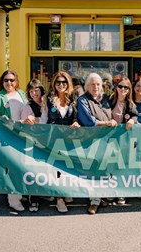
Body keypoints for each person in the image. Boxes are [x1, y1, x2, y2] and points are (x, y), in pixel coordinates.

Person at [77, 73, 116, 214]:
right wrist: (106, 123)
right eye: (92, 84)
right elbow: (88, 121)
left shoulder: (105, 98)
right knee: (93, 169)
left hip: (107, 139)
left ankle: (100, 196)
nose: (96, 86)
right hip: (91, 140)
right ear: (87, 86)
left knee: (104, 167)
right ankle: (94, 201)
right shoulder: (82, 100)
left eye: (98, 84)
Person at [0, 69, 28, 212]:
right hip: (8, 136)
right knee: (11, 167)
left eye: (12, 80)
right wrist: (2, 121)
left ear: (16, 81)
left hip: (22, 135)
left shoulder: (21, 94)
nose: (9, 83)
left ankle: (20, 192)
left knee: (22, 165)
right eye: (6, 80)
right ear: (2, 82)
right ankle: (13, 199)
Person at [47, 71, 80, 212]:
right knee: (56, 168)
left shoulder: (73, 98)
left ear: (68, 84)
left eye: (64, 82)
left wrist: (76, 122)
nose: (61, 85)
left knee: (67, 167)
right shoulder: (48, 99)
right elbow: (44, 118)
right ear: (54, 84)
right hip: (54, 138)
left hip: (69, 138)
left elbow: (76, 116)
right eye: (58, 82)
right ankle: (59, 199)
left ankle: (66, 192)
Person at [19, 78, 48, 212]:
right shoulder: (27, 107)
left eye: (36, 90)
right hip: (33, 141)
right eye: (31, 91)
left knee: (47, 169)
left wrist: (36, 119)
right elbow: (23, 123)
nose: (34, 93)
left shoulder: (48, 102)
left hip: (48, 140)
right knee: (34, 170)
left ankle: (47, 194)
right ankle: (34, 199)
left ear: (41, 90)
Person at [109, 77, 138, 205]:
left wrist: (132, 120)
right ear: (116, 87)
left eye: (126, 87)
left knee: (122, 166)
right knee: (109, 166)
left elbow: (135, 115)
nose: (123, 89)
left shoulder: (130, 104)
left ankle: (121, 193)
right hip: (109, 138)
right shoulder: (109, 100)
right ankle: (109, 192)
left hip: (123, 139)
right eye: (120, 86)